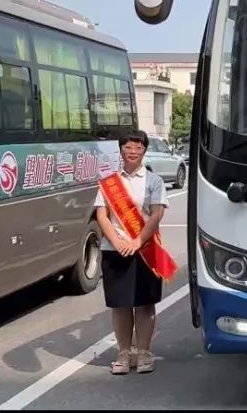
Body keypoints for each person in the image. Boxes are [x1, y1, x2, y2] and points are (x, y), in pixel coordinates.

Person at [94, 129, 169, 375]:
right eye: (128, 147)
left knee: (145, 304)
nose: (133, 151)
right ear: (121, 150)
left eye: (138, 147)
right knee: (120, 304)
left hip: (146, 249)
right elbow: (102, 215)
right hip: (115, 250)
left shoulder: (154, 181)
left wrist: (137, 241)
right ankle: (124, 353)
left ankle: (144, 352)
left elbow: (156, 214)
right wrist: (117, 241)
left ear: (144, 151)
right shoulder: (109, 183)